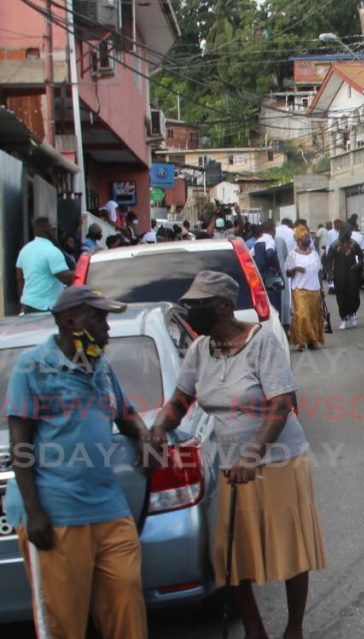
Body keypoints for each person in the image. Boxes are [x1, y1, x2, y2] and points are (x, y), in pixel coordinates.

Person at [152, 272, 326, 639]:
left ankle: (294, 628)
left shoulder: (261, 342)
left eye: (200, 305)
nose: (192, 311)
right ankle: (254, 630)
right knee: (232, 554)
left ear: (225, 307)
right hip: (232, 467)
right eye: (190, 305)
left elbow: (281, 406)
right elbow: (180, 401)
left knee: (290, 548)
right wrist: (157, 429)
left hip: (277, 461)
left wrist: (252, 455)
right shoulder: (201, 350)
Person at [7, 286, 154, 638]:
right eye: (99, 318)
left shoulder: (100, 367)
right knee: (63, 622)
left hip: (109, 509)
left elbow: (126, 414)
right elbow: (20, 444)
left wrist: (144, 439)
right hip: (57, 514)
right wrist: (35, 511)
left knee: (126, 606)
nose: (107, 327)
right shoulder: (33, 368)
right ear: (72, 321)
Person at [16, 218, 74, 314]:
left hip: (28, 304)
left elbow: (19, 278)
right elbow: (64, 278)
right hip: (46, 306)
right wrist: (82, 271)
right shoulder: (52, 251)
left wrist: (22, 300)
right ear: (49, 231)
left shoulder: (24, 250)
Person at [285, 226, 324, 351]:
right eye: (305, 237)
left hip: (314, 289)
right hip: (299, 289)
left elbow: (319, 272)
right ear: (299, 240)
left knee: (313, 316)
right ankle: (300, 341)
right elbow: (287, 273)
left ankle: (312, 341)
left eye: (308, 237)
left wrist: (321, 289)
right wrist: (295, 269)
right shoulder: (293, 255)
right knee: (302, 314)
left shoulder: (314, 253)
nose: (308, 239)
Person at [327, 228, 364, 330]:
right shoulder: (335, 245)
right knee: (341, 297)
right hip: (339, 274)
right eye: (349, 232)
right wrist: (329, 272)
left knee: (353, 295)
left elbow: (361, 257)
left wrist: (358, 265)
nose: (350, 233)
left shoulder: (354, 244)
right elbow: (329, 259)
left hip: (352, 274)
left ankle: (352, 314)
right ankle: (343, 318)